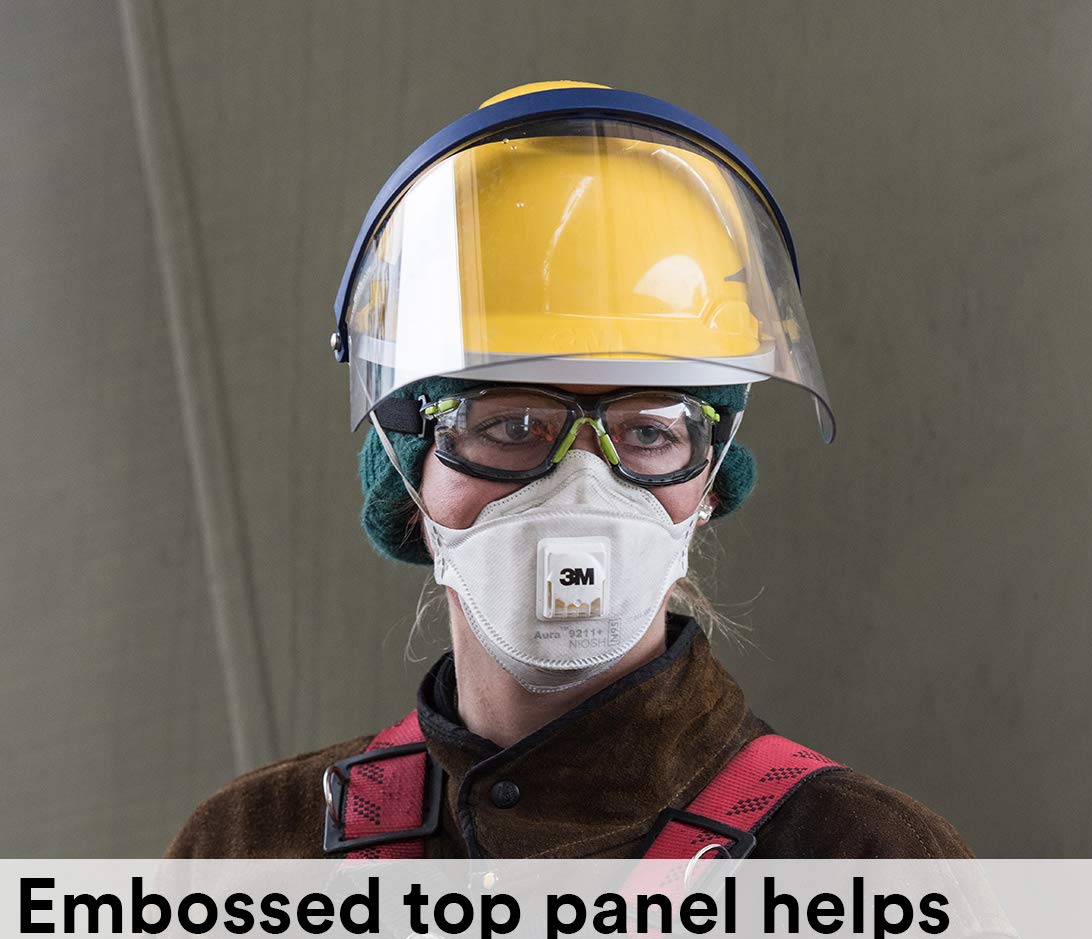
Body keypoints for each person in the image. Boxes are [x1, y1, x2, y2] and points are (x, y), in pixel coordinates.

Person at [166, 81, 970, 864]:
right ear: (409, 484)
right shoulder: (249, 853)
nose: (582, 488)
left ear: (708, 484)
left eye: (648, 431)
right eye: (513, 426)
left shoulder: (867, 864)